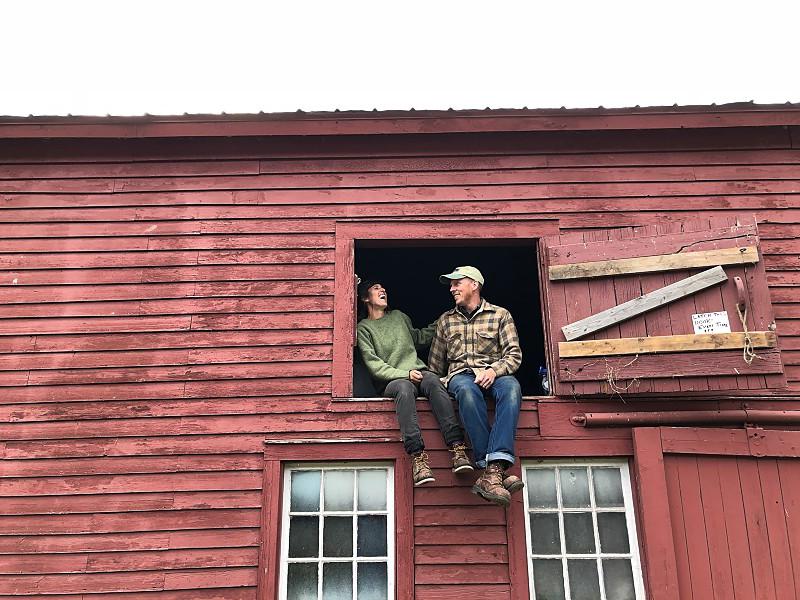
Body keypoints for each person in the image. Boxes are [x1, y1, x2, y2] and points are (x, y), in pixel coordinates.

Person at [356, 279, 473, 486]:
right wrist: (405, 374)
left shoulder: (399, 317)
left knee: (434, 380)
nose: (383, 289)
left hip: (417, 372)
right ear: (365, 298)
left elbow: (418, 338)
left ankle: (457, 448)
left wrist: (443, 320)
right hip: (392, 381)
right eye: (376, 288)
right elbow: (375, 366)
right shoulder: (363, 328)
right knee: (404, 388)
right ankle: (418, 457)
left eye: (383, 287)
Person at [428, 266, 524, 507]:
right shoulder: (445, 321)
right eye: (451, 285)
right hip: (460, 376)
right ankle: (495, 470)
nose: (452, 289)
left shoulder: (500, 315)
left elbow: (514, 356)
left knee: (512, 389)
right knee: (467, 392)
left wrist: (493, 371)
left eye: (456, 283)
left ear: (474, 284)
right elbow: (435, 366)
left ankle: (491, 473)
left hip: (494, 373)